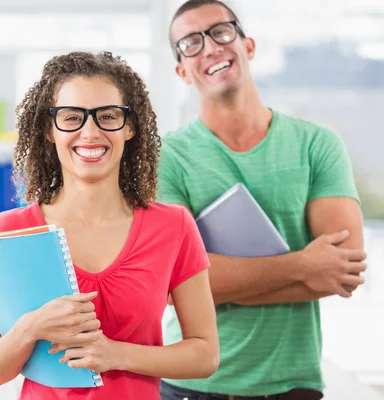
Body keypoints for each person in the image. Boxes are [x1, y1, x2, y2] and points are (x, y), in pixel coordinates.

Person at [0, 51, 219, 400]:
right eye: (72, 117)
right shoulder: (7, 231)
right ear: (49, 129)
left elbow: (205, 354)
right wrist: (30, 328)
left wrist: (116, 354)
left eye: (107, 116)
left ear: (130, 126)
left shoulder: (174, 226)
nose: (90, 132)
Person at [158, 1, 367, 399]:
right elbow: (170, 286)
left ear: (247, 45)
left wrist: (212, 284)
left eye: (221, 32)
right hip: (190, 384)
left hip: (292, 385)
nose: (211, 48)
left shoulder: (316, 145)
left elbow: (342, 271)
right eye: (191, 43)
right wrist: (303, 265)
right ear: (182, 70)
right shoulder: (167, 158)